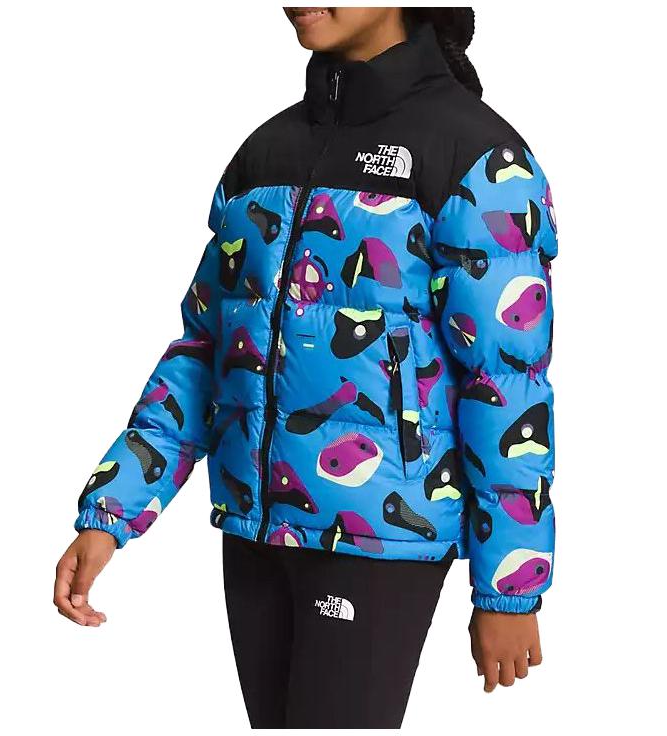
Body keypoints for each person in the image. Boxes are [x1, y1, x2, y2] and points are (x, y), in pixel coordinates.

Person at [54, 7, 557, 728]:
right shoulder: (264, 155)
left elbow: (505, 384)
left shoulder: (475, 158)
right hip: (255, 537)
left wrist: (509, 585)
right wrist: (111, 512)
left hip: (378, 538)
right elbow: (204, 354)